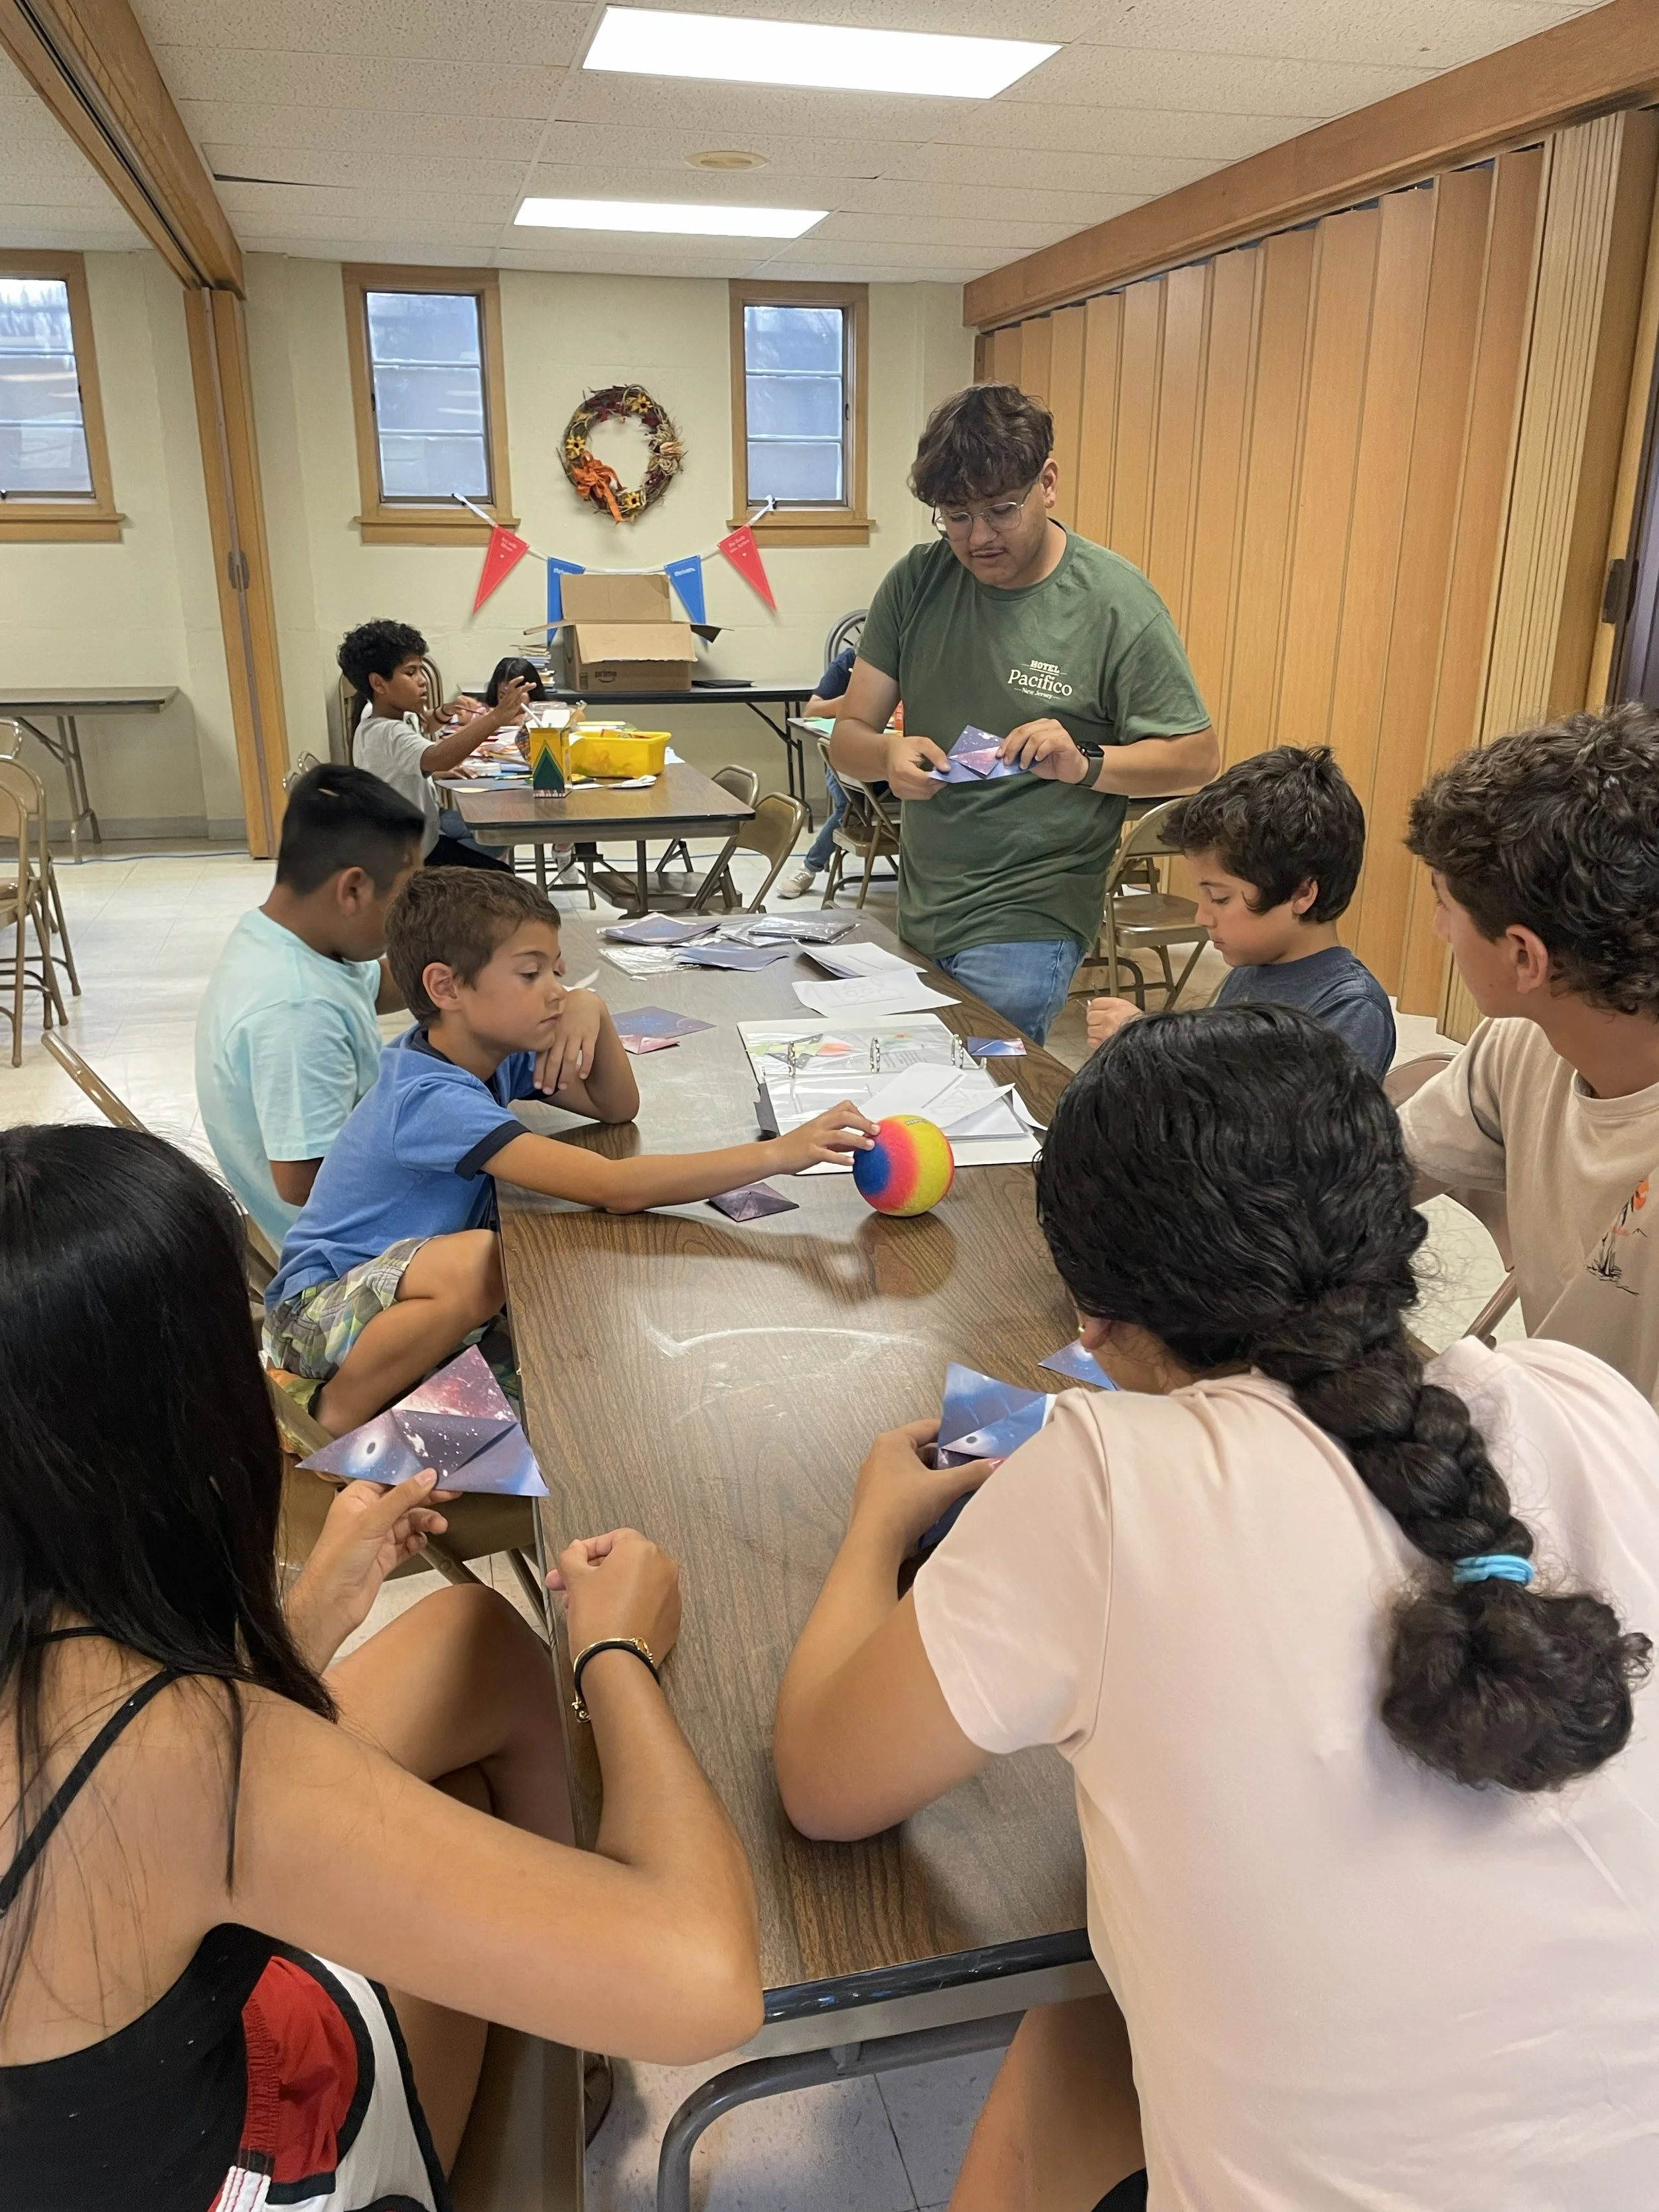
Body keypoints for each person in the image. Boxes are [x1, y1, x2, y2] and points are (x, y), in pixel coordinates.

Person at [774, 1004, 1659, 2212]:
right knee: (1080, 2021)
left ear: (1098, 1318)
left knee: (1079, 2010)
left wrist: (877, 1526)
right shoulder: (1588, 1401)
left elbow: (826, 1783)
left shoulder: (1101, 1475)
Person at [0, 1122, 764, 2211]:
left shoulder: (81, 1671)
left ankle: (573, 2024)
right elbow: (712, 1982)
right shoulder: (176, 1747)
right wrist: (614, 1648)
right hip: (220, 2174)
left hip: (81, 2101)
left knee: (469, 1641)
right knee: (484, 1781)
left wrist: (312, 1613)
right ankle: (577, 2029)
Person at [265, 869, 875, 1435]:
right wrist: (778, 1154)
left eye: (557, 972)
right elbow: (615, 1186)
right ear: (445, 986)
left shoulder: (482, 1047)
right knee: (483, 1264)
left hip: (401, 1299)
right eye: (532, 975)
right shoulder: (430, 1098)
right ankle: (333, 1417)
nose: (555, 991)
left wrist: (594, 1008)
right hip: (315, 1316)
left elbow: (615, 1105)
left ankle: (401, 1385)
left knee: (571, 1387)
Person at [828, 384, 1217, 1042]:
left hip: (1033, 913)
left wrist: (1083, 763)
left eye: (1000, 511)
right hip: (924, 903)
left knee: (981, 1084)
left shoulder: (1115, 603)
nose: (977, 538)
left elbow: (1196, 758)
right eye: (955, 517)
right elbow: (848, 736)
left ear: (1049, 483)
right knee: (924, 1087)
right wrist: (886, 756)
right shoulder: (915, 583)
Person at [1400, 704, 1659, 1407]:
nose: (1437, 931)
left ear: (1523, 956)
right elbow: (1381, 1175)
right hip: (1566, 1436)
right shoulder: (1524, 1040)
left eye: (1444, 907)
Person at [194, 764, 424, 1245]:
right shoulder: (296, 1009)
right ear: (354, 890)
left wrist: (470, 968)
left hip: (360, 1207)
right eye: (404, 901)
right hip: (352, 1254)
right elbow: (304, 1180)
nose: (408, 922)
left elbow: (377, 984)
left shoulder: (287, 937)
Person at [1085, 745, 1395, 1077]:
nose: (1201, 917)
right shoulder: (1251, 969)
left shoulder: (1350, 1008)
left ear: (1302, 892)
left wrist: (1151, 1047)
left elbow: (1283, 1120)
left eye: (1219, 898)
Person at [340, 619, 532, 872]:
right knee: (501, 875)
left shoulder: (387, 714)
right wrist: (496, 718)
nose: (422, 681)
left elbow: (423, 725)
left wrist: (444, 713)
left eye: (421, 670)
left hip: (419, 836)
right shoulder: (386, 731)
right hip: (410, 860)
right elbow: (437, 757)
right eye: (411, 673)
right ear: (378, 683)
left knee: (491, 831)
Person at [780, 642, 869, 900]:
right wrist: (852, 702)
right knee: (851, 803)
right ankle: (810, 867)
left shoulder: (918, 661)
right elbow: (812, 710)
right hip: (846, 749)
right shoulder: (851, 660)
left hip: (896, 750)